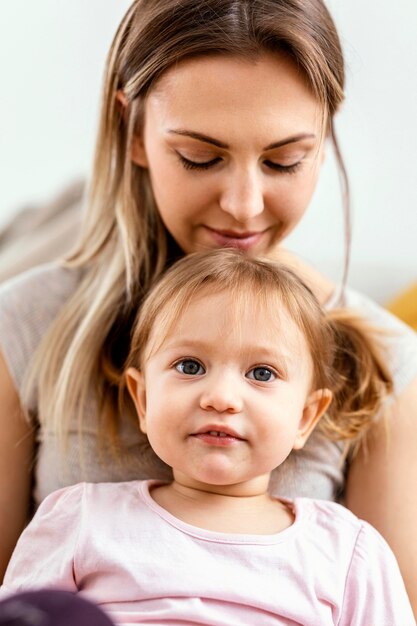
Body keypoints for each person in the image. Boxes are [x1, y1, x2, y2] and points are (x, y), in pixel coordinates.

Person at [0, 0, 417, 613]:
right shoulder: (25, 324)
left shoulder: (386, 361)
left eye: (284, 161)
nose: (245, 206)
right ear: (131, 129)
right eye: (200, 156)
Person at [1, 250, 414, 625]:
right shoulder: (79, 518)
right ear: (143, 400)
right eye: (190, 366)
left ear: (305, 418)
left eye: (262, 373)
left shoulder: (346, 551)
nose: (220, 398)